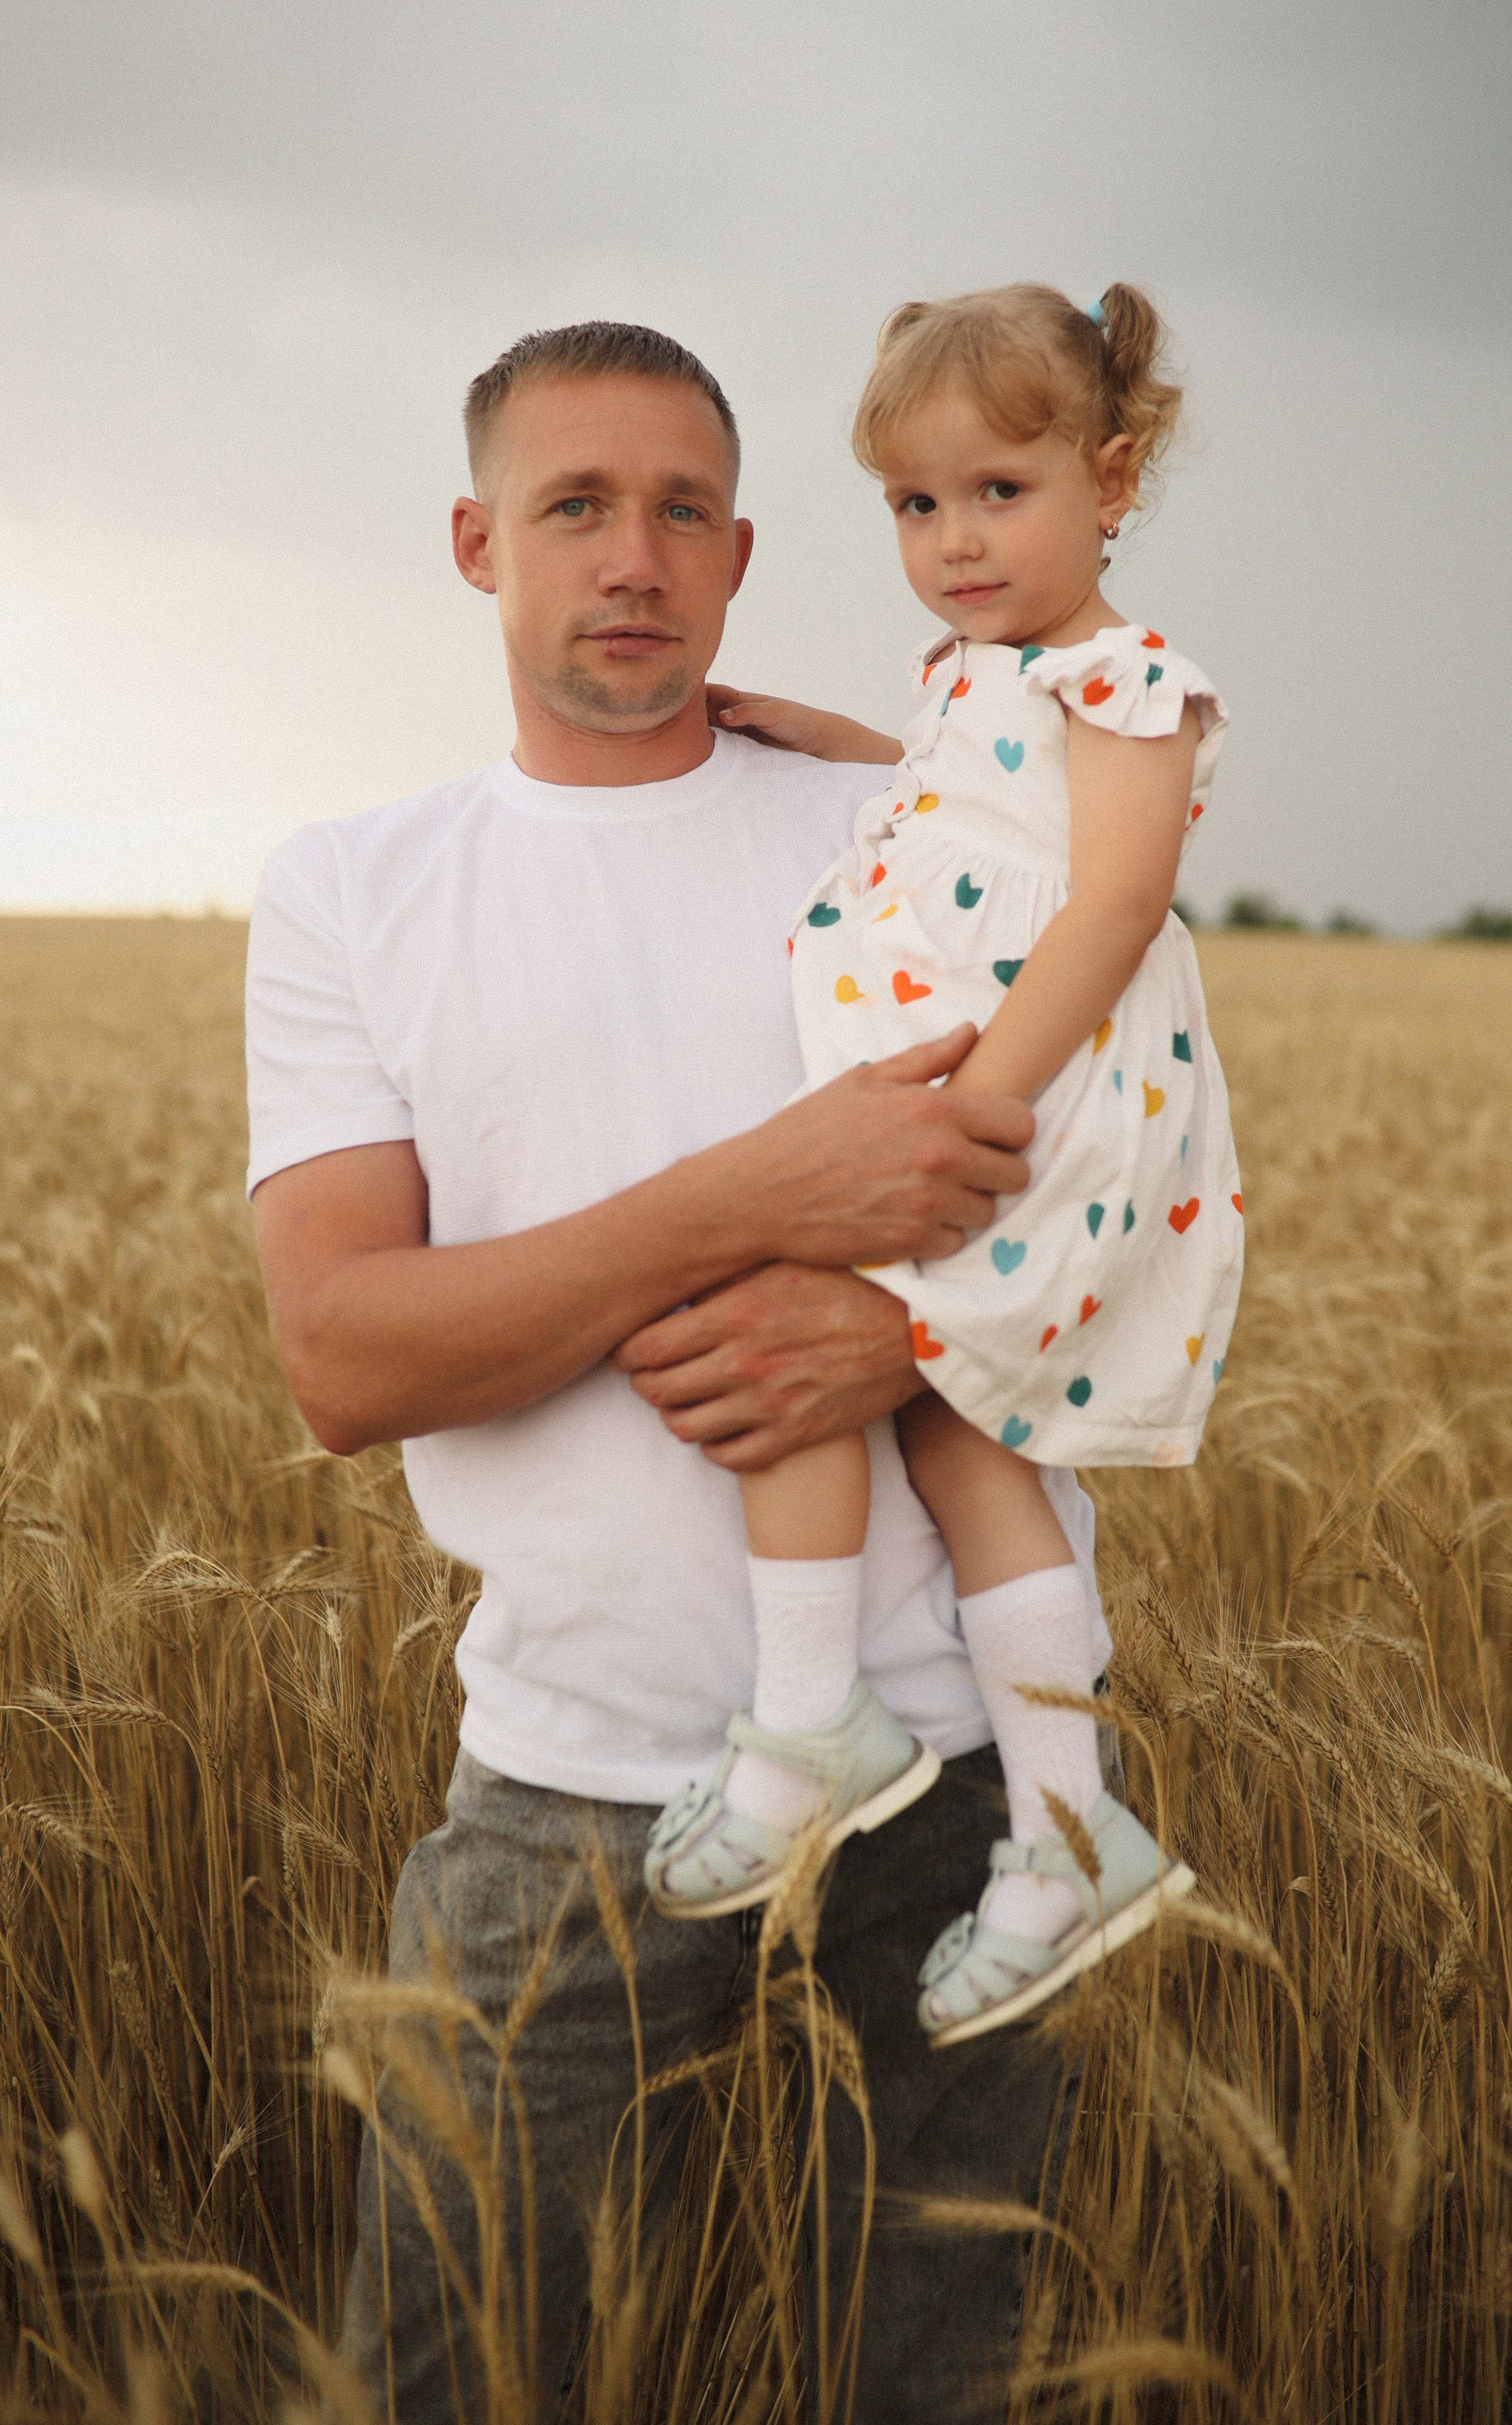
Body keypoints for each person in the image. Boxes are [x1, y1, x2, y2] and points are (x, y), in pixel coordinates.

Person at [245, 319, 1119, 2421]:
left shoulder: (908, 821)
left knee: (937, 2389)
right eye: (575, 506)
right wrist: (755, 1194)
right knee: (449, 2380)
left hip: (967, 1793)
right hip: (570, 1785)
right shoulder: (355, 889)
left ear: (739, 554)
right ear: (481, 543)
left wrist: (900, 1330)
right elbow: (344, 1356)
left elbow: (1147, 1189)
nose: (633, 555)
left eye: (683, 510)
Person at [645, 283, 1241, 2049]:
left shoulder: (1130, 680)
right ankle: (1066, 1833)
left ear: (1109, 480)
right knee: (959, 1433)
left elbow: (1114, 899)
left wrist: (977, 1104)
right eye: (916, 504)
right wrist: (817, 732)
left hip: (1019, 1101)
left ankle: (812, 1724)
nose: (955, 539)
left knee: (790, 1318)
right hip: (985, 1095)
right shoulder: (982, 675)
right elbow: (957, 790)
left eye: (1000, 491)